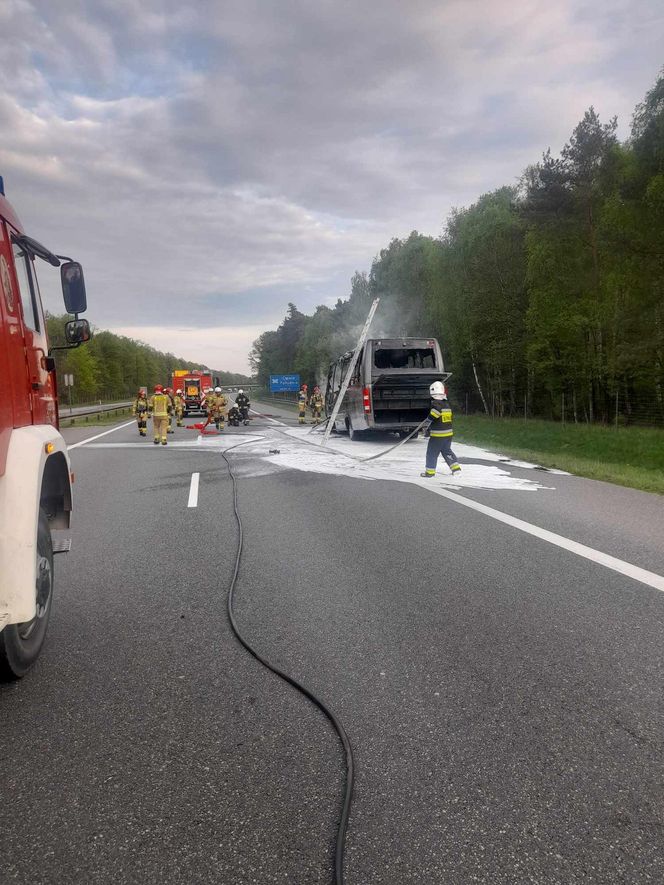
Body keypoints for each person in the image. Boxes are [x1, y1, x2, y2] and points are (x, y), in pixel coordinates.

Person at [420, 382, 461, 477]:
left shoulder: (436, 403)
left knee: (431, 453)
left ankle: (430, 472)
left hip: (438, 435)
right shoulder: (446, 404)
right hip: (448, 434)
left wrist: (428, 420)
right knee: (447, 451)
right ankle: (456, 468)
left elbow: (436, 413)